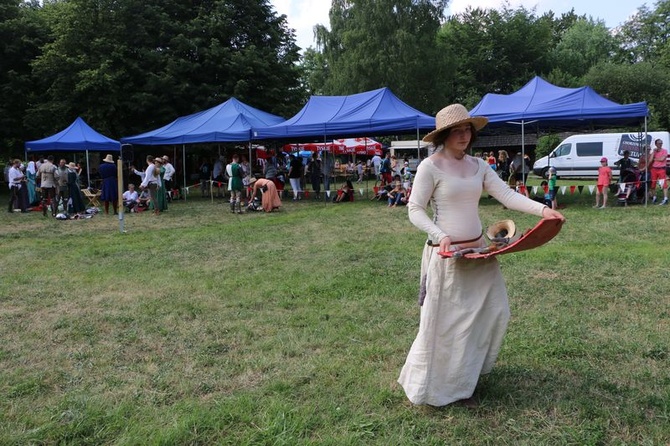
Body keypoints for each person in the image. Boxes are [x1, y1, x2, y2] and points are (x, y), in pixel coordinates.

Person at [397, 103, 564, 408]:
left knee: (495, 311)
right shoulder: (429, 166)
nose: (464, 135)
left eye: (467, 129)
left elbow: (508, 195)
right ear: (443, 135)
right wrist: (440, 235)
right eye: (457, 130)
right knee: (449, 325)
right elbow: (414, 209)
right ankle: (443, 390)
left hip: (481, 254)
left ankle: (466, 375)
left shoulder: (479, 166)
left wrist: (543, 209)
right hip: (449, 256)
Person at [650, 138, 668, 205]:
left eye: (661, 143)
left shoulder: (665, 151)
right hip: (654, 169)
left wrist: (655, 159)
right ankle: (654, 197)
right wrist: (654, 152)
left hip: (661, 169)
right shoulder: (654, 151)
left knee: (663, 184)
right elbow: (651, 160)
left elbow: (662, 159)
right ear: (656, 144)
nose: (660, 144)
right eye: (659, 143)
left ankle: (665, 198)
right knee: (653, 184)